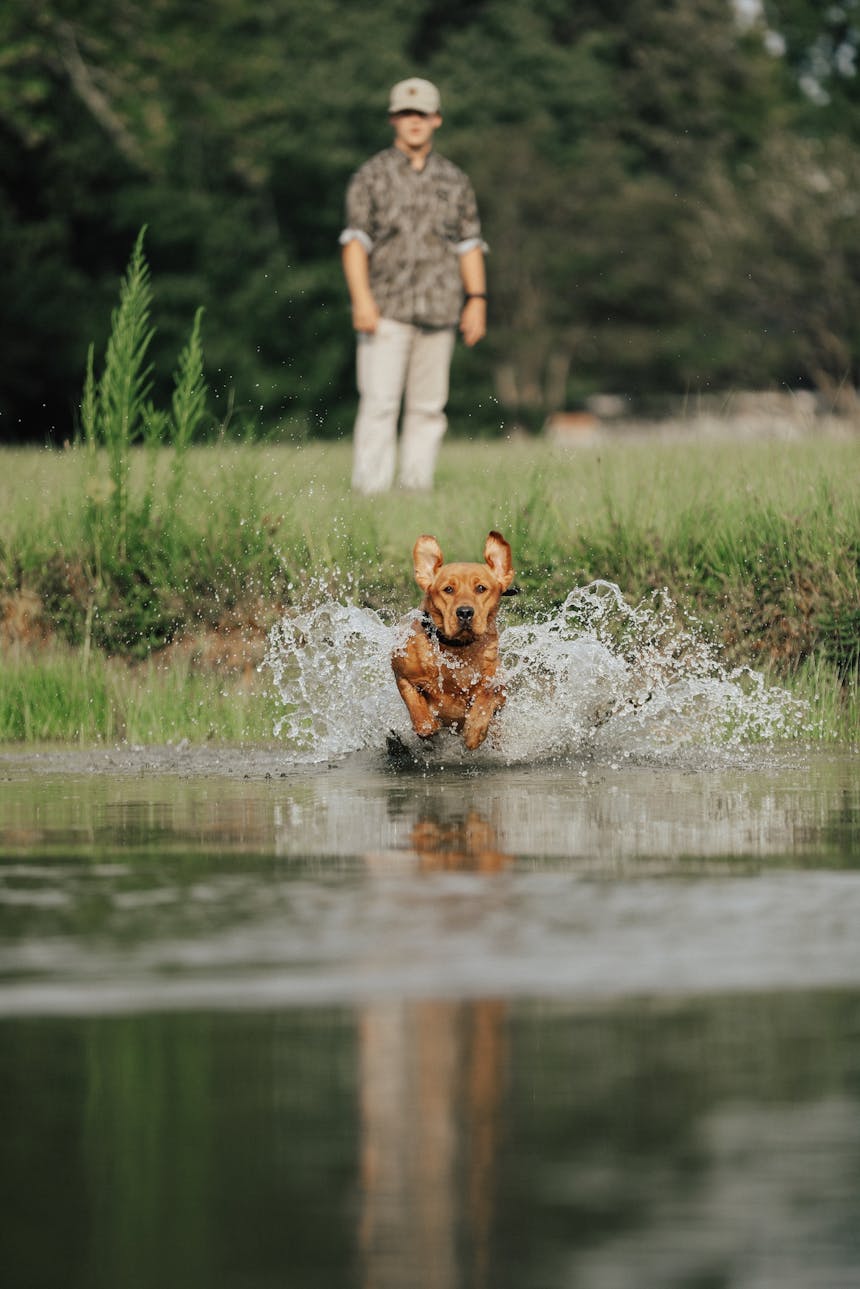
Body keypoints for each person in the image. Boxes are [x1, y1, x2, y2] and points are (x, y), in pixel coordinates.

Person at [340, 77, 488, 494]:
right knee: (380, 404)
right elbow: (355, 242)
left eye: (422, 113)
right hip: (386, 308)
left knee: (428, 408)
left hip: (441, 309)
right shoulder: (370, 177)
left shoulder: (455, 180)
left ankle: (415, 490)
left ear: (436, 119)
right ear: (393, 120)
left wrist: (476, 300)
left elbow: (469, 244)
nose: (414, 121)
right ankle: (370, 492)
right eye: (406, 114)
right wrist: (361, 300)